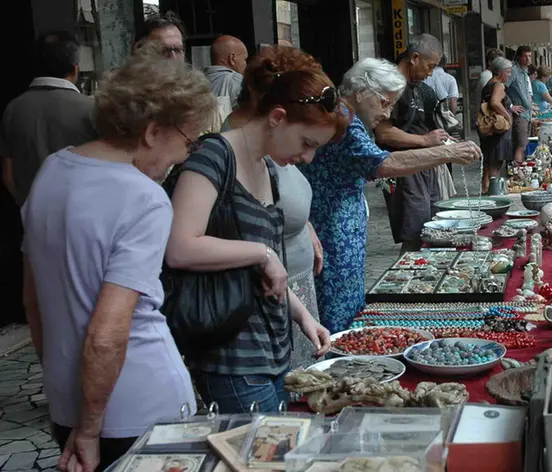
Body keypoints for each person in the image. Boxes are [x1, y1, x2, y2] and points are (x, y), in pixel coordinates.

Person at [21, 47, 217, 472]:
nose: (183, 157)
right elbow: (109, 332)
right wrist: (90, 428)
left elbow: (33, 302)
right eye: (187, 141)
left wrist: (65, 385)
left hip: (66, 398)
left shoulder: (51, 170)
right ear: (152, 132)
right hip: (137, 405)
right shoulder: (143, 198)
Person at [164, 50, 344, 413]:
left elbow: (265, 273)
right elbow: (180, 247)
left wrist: (304, 316)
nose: (307, 158)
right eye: (307, 144)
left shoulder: (266, 167)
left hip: (270, 352)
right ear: (277, 117)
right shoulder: (213, 156)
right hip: (230, 358)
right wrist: (263, 254)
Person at [300, 58, 480, 333]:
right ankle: (338, 354)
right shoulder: (345, 121)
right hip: (332, 226)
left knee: (345, 302)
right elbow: (382, 163)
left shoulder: (347, 117)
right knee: (338, 308)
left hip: (339, 223)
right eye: (384, 103)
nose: (386, 113)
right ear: (361, 93)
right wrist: (447, 153)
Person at [218, 46, 326, 370]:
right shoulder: (237, 150)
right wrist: (265, 256)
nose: (306, 156)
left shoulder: (273, 145)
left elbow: (280, 204)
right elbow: (188, 245)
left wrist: (306, 226)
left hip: (292, 290)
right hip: (269, 299)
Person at [374, 33, 452, 253]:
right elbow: (384, 133)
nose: (430, 73)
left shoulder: (419, 88)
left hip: (423, 163)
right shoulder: (391, 86)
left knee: (432, 226)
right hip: (404, 167)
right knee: (415, 233)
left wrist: (441, 140)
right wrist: (425, 140)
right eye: (430, 66)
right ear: (414, 58)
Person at [1, 31, 97, 206]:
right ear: (75, 69)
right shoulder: (91, 109)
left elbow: (8, 176)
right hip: (85, 217)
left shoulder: (13, 109)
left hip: (32, 222)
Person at [479, 57, 514, 194]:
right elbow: (494, 102)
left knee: (489, 160)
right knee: (496, 162)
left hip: (489, 127)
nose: (509, 75)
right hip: (498, 127)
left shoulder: (488, 84)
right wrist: (507, 115)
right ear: (500, 73)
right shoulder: (498, 85)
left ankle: (485, 188)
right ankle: (494, 192)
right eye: (508, 72)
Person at [205, 35, 248, 110]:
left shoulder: (196, 83)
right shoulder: (237, 81)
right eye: (245, 59)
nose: (246, 64)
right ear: (232, 58)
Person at [505, 45, 532, 163]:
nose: (528, 59)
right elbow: (501, 88)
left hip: (527, 114)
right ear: (519, 57)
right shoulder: (514, 71)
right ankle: (517, 176)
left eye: (529, 56)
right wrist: (510, 106)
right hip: (519, 115)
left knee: (523, 146)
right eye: (525, 56)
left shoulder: (524, 72)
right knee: (520, 146)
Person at [474, 49, 504, 123]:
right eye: (498, 62)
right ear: (490, 62)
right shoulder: (487, 76)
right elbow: (491, 100)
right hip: (488, 120)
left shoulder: (491, 76)